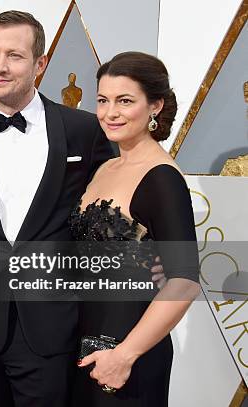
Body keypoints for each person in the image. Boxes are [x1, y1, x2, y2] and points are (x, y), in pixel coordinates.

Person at [0, 10, 114, 406]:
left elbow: (102, 238)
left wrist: (101, 326)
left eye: (14, 55)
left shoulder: (84, 130)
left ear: (40, 64)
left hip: (53, 325)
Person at [70, 51, 200, 406]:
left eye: (124, 101)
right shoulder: (104, 168)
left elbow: (184, 281)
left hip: (127, 358)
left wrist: (124, 356)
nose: (110, 113)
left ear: (155, 105)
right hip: (83, 349)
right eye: (102, 100)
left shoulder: (162, 178)